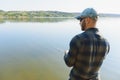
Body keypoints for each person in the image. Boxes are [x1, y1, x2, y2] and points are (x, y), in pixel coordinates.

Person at [64, 8, 110, 80]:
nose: (79, 23)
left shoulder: (77, 39)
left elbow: (69, 63)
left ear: (87, 20)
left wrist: (66, 54)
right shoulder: (106, 42)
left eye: (80, 20)